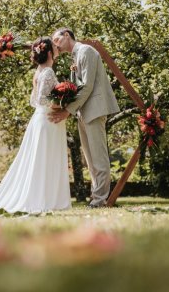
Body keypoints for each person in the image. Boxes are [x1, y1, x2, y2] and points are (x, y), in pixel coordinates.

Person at [0, 37, 71, 213]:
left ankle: (46, 199)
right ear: (49, 51)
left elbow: (33, 101)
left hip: (41, 119)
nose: (57, 47)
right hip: (48, 120)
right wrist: (64, 104)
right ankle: (44, 200)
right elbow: (42, 100)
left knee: (42, 161)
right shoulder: (48, 72)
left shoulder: (39, 71)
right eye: (54, 46)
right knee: (45, 161)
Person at [50, 28, 120, 208]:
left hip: (94, 110)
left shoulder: (86, 51)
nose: (55, 44)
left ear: (67, 35)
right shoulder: (75, 56)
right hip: (83, 112)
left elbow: (87, 86)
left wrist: (68, 111)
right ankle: (96, 198)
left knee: (99, 158)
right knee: (90, 160)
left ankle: (99, 200)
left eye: (56, 39)